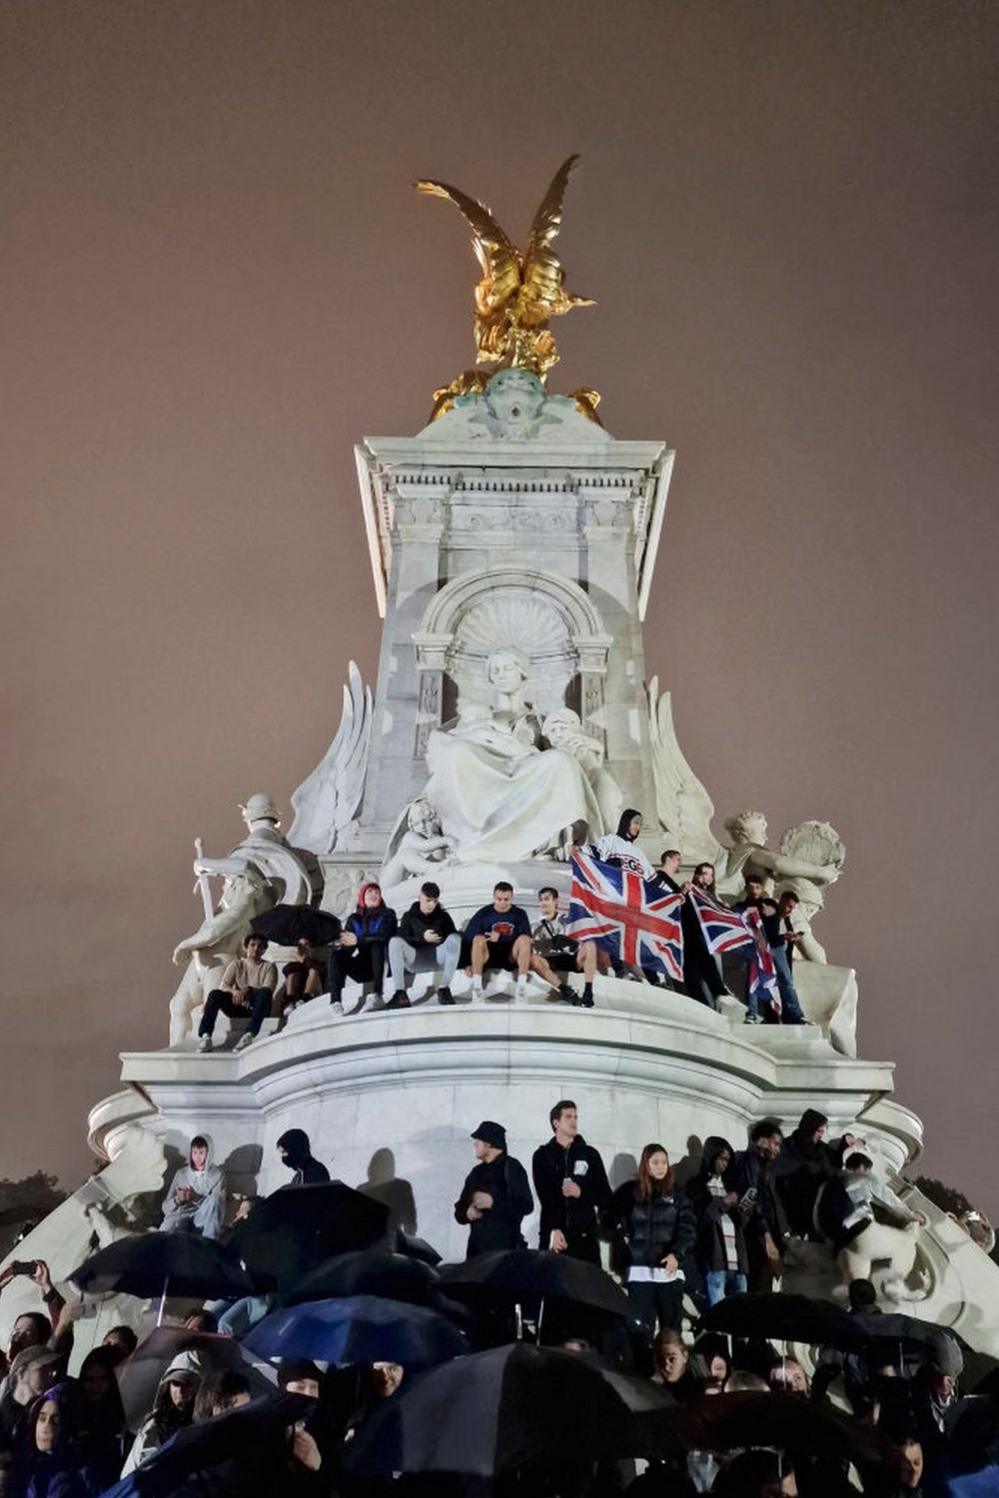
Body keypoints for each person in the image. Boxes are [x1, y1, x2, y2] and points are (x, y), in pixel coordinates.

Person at [605, 1144, 695, 1337]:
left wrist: (676, 1254)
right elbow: (608, 1214)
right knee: (639, 1332)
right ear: (646, 1164)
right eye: (655, 1162)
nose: (661, 1167)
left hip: (669, 1273)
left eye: (664, 1162)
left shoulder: (678, 1194)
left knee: (672, 1333)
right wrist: (619, 1229)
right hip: (640, 1272)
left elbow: (688, 1230)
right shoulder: (630, 1191)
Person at [532, 1100, 611, 1263]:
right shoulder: (542, 1155)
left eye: (575, 1117)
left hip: (585, 1238)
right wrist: (553, 1229)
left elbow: (605, 1196)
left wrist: (581, 1192)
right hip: (555, 1236)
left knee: (587, 1286)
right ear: (556, 1123)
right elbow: (545, 1197)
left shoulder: (590, 1155)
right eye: (568, 1117)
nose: (574, 1121)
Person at [453, 1121, 534, 1257]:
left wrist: (493, 1203)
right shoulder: (476, 1173)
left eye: (478, 1140)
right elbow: (459, 1210)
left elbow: (526, 1205)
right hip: (476, 1256)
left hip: (504, 1255)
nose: (475, 1144)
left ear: (488, 1143)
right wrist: (467, 1213)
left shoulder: (512, 1168)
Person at [658, 850, 725, 1011]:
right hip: (690, 940)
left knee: (711, 977)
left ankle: (717, 1005)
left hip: (709, 944)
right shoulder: (688, 891)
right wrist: (683, 892)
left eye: (710, 875)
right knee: (695, 979)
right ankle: (707, 1008)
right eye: (703, 873)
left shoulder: (712, 897)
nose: (706, 878)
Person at [686, 1136, 749, 1305]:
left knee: (742, 1304)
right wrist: (723, 1203)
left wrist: (744, 1208)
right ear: (711, 1156)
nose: (724, 1164)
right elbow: (700, 1218)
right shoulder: (697, 1185)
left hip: (737, 1256)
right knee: (718, 1306)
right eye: (721, 1159)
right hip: (715, 1257)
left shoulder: (731, 1184)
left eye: (728, 1160)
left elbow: (742, 1223)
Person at [120, 1350, 203, 1475]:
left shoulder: (205, 1423)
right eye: (176, 1383)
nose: (180, 1391)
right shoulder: (153, 1425)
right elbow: (131, 1472)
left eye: (188, 1384)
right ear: (167, 1385)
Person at [726, 1118, 784, 1292]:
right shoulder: (751, 1162)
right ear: (762, 1141)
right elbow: (751, 1199)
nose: (778, 1150)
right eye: (776, 1144)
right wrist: (766, 1236)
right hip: (754, 1239)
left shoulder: (759, 1165)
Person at [197, 932, 278, 1053]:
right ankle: (206, 1037)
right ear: (246, 947)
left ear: (264, 950)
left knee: (264, 993)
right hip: (238, 1005)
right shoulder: (237, 964)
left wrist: (249, 990)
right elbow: (223, 985)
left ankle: (249, 1035)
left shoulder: (269, 967)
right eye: (252, 945)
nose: (256, 948)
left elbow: (269, 989)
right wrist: (235, 992)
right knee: (215, 994)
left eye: (260, 946)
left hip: (258, 1007)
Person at [387, 881, 462, 1008]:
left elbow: (454, 941)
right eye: (428, 900)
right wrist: (422, 938)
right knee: (394, 941)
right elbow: (403, 938)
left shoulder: (443, 916)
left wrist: (467, 964)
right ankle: (400, 993)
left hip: (438, 957)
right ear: (420, 897)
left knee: (455, 938)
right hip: (415, 959)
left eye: (434, 901)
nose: (431, 905)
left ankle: (444, 989)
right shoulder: (409, 916)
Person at [10, 1382, 91, 1497]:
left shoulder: (79, 1473)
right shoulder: (23, 1466)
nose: (46, 1427)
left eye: (56, 1421)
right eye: (42, 1418)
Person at [328, 882, 398, 1014]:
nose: (374, 895)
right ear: (362, 896)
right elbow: (348, 946)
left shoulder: (388, 914)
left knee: (376, 946)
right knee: (337, 955)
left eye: (377, 892)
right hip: (363, 969)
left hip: (384, 964)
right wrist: (339, 944)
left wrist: (358, 940)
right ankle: (335, 1001)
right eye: (370, 892)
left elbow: (383, 937)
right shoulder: (354, 919)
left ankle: (378, 994)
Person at [462, 883, 534, 1002]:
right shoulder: (484, 913)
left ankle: (521, 987)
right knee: (478, 939)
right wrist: (466, 963)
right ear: (493, 897)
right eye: (499, 899)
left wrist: (501, 938)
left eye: (506, 899)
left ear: (512, 898)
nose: (502, 903)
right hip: (487, 955)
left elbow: (528, 941)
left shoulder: (519, 914)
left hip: (511, 955)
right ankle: (477, 987)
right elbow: (468, 939)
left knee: (525, 939)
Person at [530, 886, 596, 1007]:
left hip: (570, 958)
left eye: (547, 899)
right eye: (541, 900)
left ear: (555, 901)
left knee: (590, 945)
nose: (543, 903)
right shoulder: (534, 926)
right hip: (549, 959)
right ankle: (565, 990)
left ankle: (588, 991)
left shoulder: (568, 920)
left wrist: (571, 943)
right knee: (533, 958)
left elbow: (581, 941)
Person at [159, 1135, 225, 1240]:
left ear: (208, 1153)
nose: (197, 1157)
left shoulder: (217, 1174)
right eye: (194, 1153)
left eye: (201, 1153)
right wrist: (177, 1200)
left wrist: (196, 1197)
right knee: (164, 1233)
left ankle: (209, 1246)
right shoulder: (181, 1173)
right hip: (182, 1215)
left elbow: (217, 1206)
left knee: (215, 1198)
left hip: (202, 1216)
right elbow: (165, 1207)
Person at [596, 808, 657, 880]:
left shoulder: (639, 852)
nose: (638, 827)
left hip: (633, 888)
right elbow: (594, 856)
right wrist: (611, 864)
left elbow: (653, 878)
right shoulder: (610, 840)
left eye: (640, 825)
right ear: (626, 822)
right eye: (636, 823)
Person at [279, 937, 327, 1013]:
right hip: (297, 994)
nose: (303, 947)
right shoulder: (294, 965)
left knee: (313, 971)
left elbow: (321, 969)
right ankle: (290, 1001)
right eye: (300, 945)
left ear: (311, 948)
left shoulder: (318, 963)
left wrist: (303, 959)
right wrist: (296, 959)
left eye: (306, 944)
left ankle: (305, 998)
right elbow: (286, 971)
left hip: (314, 993)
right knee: (292, 974)